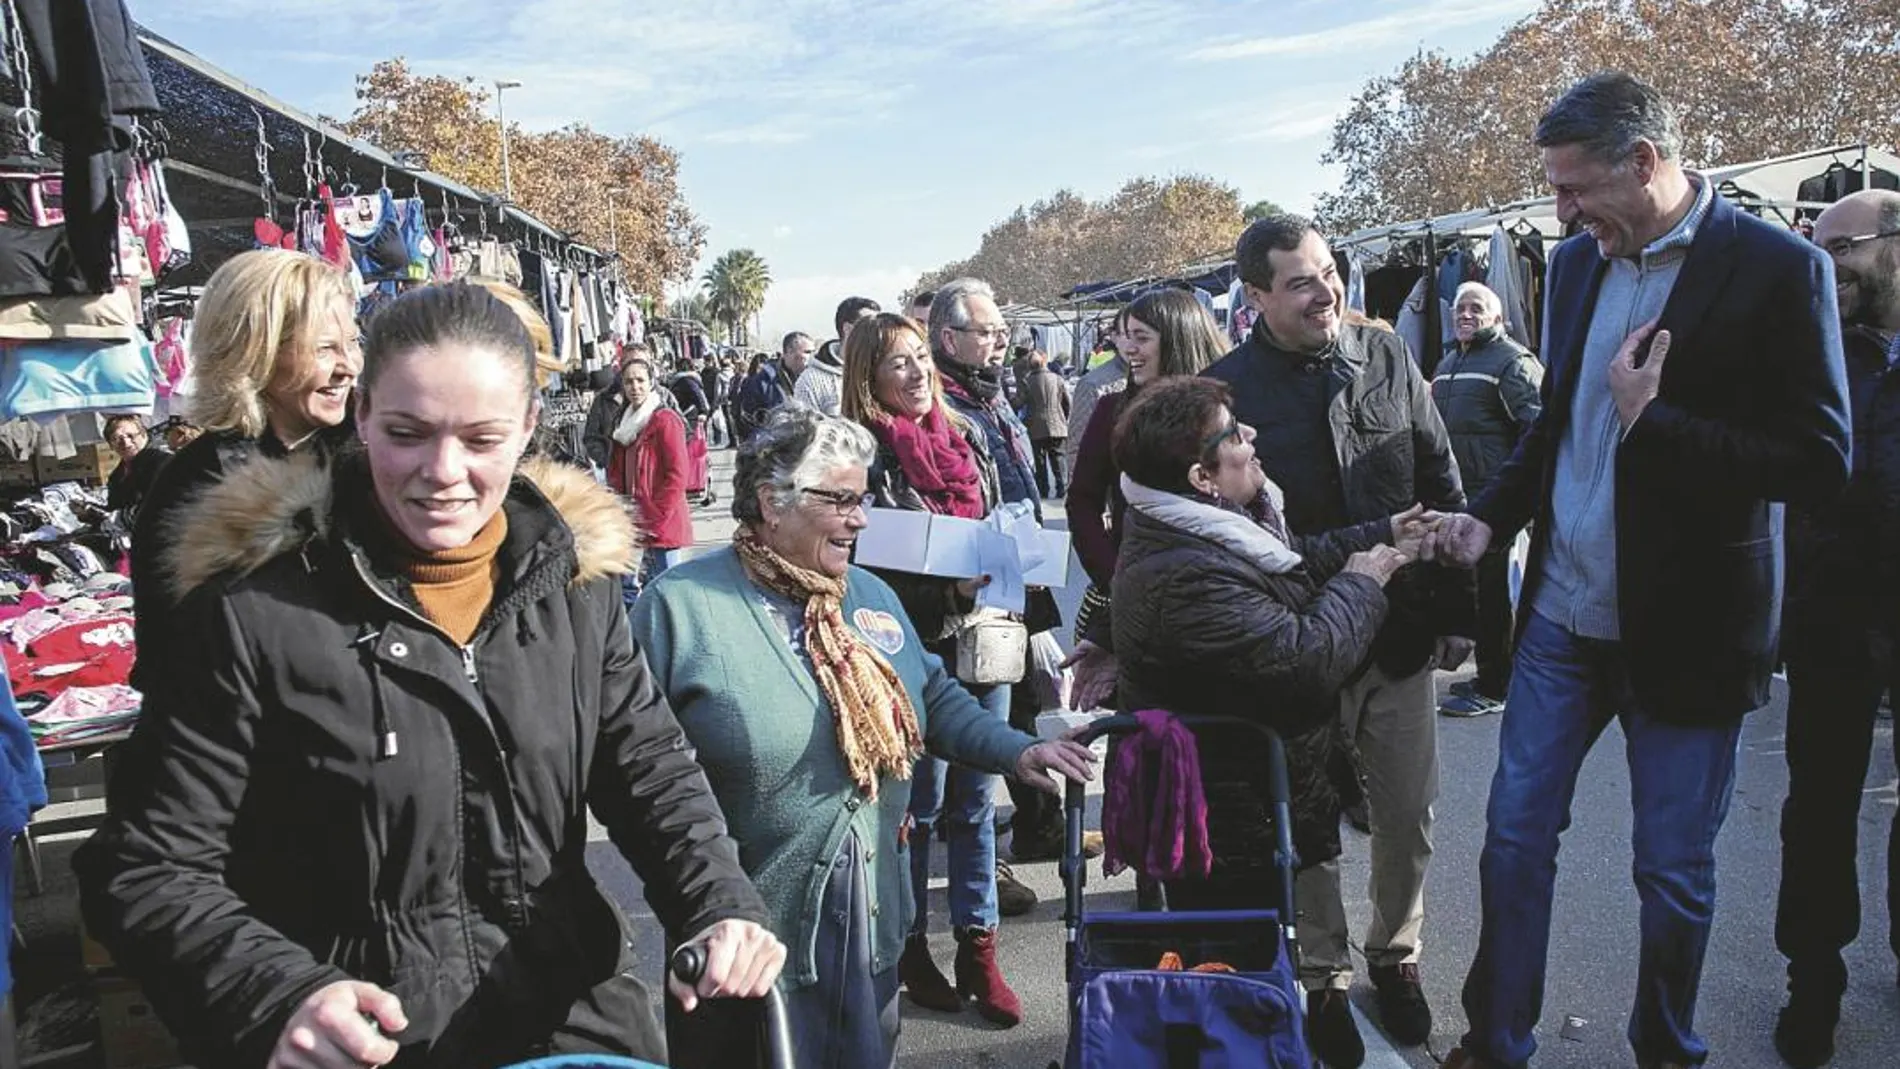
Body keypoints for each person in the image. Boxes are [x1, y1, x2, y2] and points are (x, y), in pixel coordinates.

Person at [75, 282, 785, 1069]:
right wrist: (274, 994)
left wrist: (718, 902)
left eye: (480, 438)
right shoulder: (253, 611)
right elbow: (146, 863)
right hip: (364, 1042)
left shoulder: (576, 589)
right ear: (363, 416)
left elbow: (651, 769)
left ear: (525, 431)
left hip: (573, 1023)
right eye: (408, 433)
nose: (443, 471)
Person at [1428, 73, 1852, 1069]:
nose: (1561, 212)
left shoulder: (1779, 269)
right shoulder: (1576, 267)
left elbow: (1818, 460)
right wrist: (1488, 519)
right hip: (1559, 622)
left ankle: (1666, 1048)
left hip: (1691, 632)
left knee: (1671, 872)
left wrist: (1654, 422)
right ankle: (1496, 1041)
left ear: (1645, 162)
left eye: (1575, 189)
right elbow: (1551, 428)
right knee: (1511, 844)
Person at [630, 405, 1095, 1069]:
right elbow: (637, 778)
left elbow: (930, 693)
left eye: (864, 497)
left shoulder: (865, 594)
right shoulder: (679, 608)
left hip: (872, 930)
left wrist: (1017, 749)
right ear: (771, 501)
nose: (862, 517)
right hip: (743, 946)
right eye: (842, 499)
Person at [1203, 212, 1472, 1065]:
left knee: (1407, 812)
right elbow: (1226, 529)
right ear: (1254, 297)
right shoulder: (1224, 392)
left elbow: (1441, 470)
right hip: (1299, 647)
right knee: (1311, 825)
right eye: (1302, 282)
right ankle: (1320, 974)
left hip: (1398, 635)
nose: (1327, 294)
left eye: (1329, 273)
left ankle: (1396, 953)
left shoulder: (1387, 353)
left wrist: (1461, 602)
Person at [1098, 377, 1428, 914]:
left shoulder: (1197, 529)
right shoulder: (1188, 574)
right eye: (1232, 435)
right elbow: (1302, 661)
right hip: (1225, 823)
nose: (1250, 436)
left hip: (1241, 798)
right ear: (1201, 477)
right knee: (1235, 970)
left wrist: (1384, 534)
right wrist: (1361, 583)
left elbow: (1287, 566)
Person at [836, 310, 1038, 1024]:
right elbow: (861, 572)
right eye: (899, 362)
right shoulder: (860, 457)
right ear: (869, 377)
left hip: (988, 643)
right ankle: (909, 942)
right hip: (908, 651)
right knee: (915, 811)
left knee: (977, 804)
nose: (918, 372)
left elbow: (1004, 520)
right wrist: (945, 590)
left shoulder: (970, 436)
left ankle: (979, 947)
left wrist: (1021, 557)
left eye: (922, 356)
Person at [128, 249, 361, 745]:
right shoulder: (196, 491)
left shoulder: (373, 455)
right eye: (325, 348)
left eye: (352, 344)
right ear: (257, 350)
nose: (349, 366)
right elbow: (175, 669)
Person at [1772, 188, 1900, 1069]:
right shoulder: (1816, 349)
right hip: (1830, 610)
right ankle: (1813, 978)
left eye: (1840, 248)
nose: (1825, 268)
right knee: (1818, 803)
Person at [925, 281, 1053, 918]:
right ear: (950, 339)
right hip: (954, 614)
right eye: (988, 331)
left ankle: (981, 920)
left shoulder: (996, 400)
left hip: (1006, 604)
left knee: (988, 766)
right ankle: (918, 933)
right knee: (938, 784)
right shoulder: (940, 412)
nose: (1001, 340)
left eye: (1002, 331)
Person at [1431, 281, 1544, 718]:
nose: (1465, 315)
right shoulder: (1447, 363)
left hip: (1495, 502)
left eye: (1476, 309)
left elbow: (1538, 431)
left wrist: (1518, 501)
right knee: (1476, 590)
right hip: (1460, 499)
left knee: (1496, 593)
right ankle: (1489, 674)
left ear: (1497, 318)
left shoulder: (1512, 362)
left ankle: (1499, 685)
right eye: (1460, 308)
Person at [606, 355, 693, 595]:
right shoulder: (623, 423)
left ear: (651, 382)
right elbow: (617, 468)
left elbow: (677, 474)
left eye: (640, 381)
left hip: (662, 521)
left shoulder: (665, 420)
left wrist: (658, 514)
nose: (635, 387)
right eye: (629, 382)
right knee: (631, 589)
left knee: (668, 589)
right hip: (633, 519)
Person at [796, 296, 880, 416]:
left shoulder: (884, 371)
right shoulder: (811, 381)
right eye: (870, 327)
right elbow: (803, 430)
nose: (878, 334)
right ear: (848, 329)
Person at [1017, 349, 1070, 499]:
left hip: (1035, 426)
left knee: (1040, 461)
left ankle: (1043, 490)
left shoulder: (1027, 381)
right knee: (1058, 459)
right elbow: (1066, 403)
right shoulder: (1058, 379)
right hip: (1058, 425)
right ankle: (1062, 488)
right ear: (1045, 360)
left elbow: (1020, 402)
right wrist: (1063, 418)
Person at [736, 332, 811, 438]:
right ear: (790, 351)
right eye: (807, 352)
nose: (811, 357)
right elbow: (746, 421)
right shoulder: (762, 382)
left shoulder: (812, 380)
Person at [102, 415, 170, 520]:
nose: (126, 443)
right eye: (117, 438)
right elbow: (113, 510)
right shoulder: (117, 476)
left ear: (143, 435)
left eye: (131, 436)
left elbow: (161, 506)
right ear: (111, 445)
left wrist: (120, 517)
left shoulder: (160, 462)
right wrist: (90, 514)